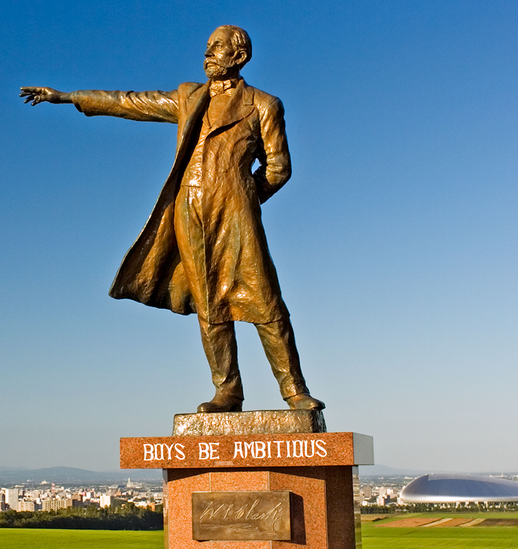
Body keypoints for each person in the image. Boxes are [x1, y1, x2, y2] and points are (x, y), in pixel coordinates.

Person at [20, 25, 324, 413]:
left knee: (265, 302)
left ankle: (294, 390)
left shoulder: (264, 104)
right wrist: (67, 97)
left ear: (239, 56)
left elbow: (278, 168)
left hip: (236, 217)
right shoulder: (189, 97)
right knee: (209, 305)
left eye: (216, 48)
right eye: (207, 48)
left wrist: (245, 196)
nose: (207, 54)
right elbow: (130, 102)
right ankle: (227, 391)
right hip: (189, 214)